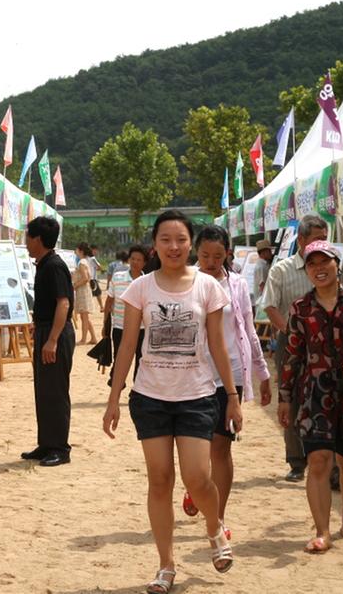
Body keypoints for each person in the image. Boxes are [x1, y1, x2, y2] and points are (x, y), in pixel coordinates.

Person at [104, 210, 240, 593]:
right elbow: (127, 346)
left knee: (198, 478)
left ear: (190, 243)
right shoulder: (140, 289)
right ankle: (166, 565)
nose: (174, 246)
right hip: (151, 397)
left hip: (197, 396)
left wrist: (232, 396)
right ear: (155, 245)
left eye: (181, 239)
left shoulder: (208, 287)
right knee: (160, 480)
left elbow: (218, 345)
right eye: (166, 239)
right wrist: (113, 399)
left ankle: (214, 527)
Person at [278, 240, 343, 554]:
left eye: (325, 262)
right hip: (314, 393)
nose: (319, 269)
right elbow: (291, 356)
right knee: (318, 461)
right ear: (306, 270)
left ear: (338, 265)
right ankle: (322, 531)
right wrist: (285, 398)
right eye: (312, 264)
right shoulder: (300, 308)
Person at [181, 226, 271, 537]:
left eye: (218, 256)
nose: (210, 262)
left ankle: (217, 519)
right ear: (196, 252)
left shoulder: (238, 285)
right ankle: (197, 486)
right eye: (205, 255)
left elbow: (248, 328)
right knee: (196, 446)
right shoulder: (185, 281)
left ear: (228, 254)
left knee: (221, 447)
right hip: (192, 375)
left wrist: (262, 372)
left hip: (230, 375)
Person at [263, 214, 330, 482]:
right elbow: (270, 306)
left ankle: (329, 462)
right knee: (290, 399)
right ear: (301, 240)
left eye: (325, 239)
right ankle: (296, 461)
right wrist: (290, 333)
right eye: (317, 238)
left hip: (326, 344)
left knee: (326, 398)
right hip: (290, 345)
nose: (322, 244)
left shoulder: (332, 267)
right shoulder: (281, 270)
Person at [22, 216, 76, 467]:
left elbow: (63, 303)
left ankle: (59, 448)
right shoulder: (44, 264)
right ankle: (46, 443)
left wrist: (52, 340)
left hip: (56, 333)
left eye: (28, 237)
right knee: (44, 391)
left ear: (38, 239)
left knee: (55, 391)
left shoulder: (54, 266)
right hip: (46, 330)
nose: (26, 242)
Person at [105, 245, 148, 386]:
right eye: (133, 259)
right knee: (118, 359)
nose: (135, 262)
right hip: (119, 327)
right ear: (129, 260)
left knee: (140, 361)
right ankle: (117, 385)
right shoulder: (117, 277)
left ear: (144, 263)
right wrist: (106, 324)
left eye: (139, 260)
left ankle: (137, 388)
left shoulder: (148, 282)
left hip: (141, 329)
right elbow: (109, 301)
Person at [72, 243, 99, 345]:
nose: (75, 251)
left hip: (83, 291)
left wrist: (75, 285)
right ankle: (93, 338)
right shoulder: (84, 261)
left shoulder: (82, 262)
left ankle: (83, 339)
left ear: (81, 251)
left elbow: (85, 278)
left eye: (76, 249)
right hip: (84, 290)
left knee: (84, 316)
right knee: (85, 316)